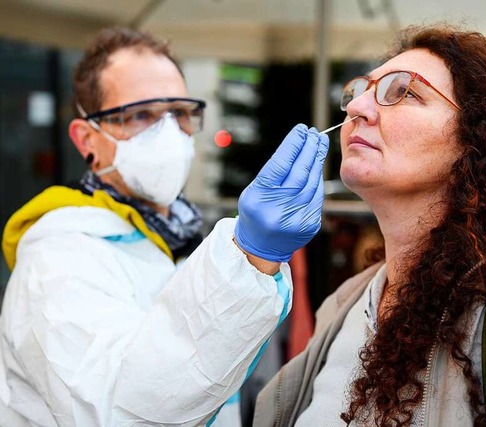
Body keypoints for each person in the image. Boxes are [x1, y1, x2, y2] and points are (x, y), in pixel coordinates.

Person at [252, 25, 486, 426]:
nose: (356, 109)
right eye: (360, 92)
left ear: (477, 141)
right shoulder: (345, 303)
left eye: (403, 91)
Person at [0, 27, 329, 426]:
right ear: (86, 138)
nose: (169, 133)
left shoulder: (180, 233)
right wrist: (250, 256)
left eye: (180, 113)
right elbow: (120, 412)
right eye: (140, 115)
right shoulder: (59, 259)